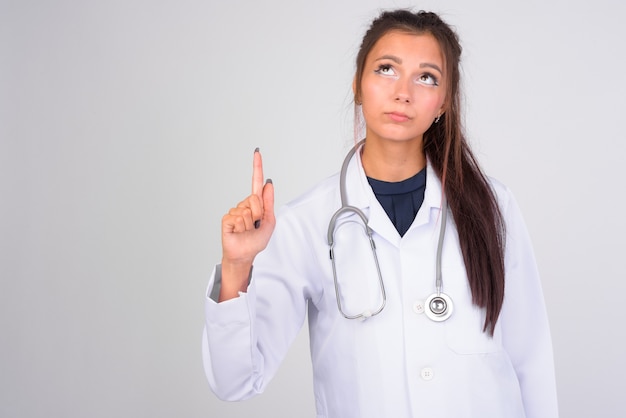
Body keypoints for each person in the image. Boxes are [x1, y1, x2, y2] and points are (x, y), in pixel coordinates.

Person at [202, 9, 558, 418]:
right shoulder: (306, 223)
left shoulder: (493, 207)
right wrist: (237, 267)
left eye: (426, 77)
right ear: (358, 85)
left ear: (443, 102)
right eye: (387, 69)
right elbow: (235, 382)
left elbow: (531, 362)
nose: (403, 91)